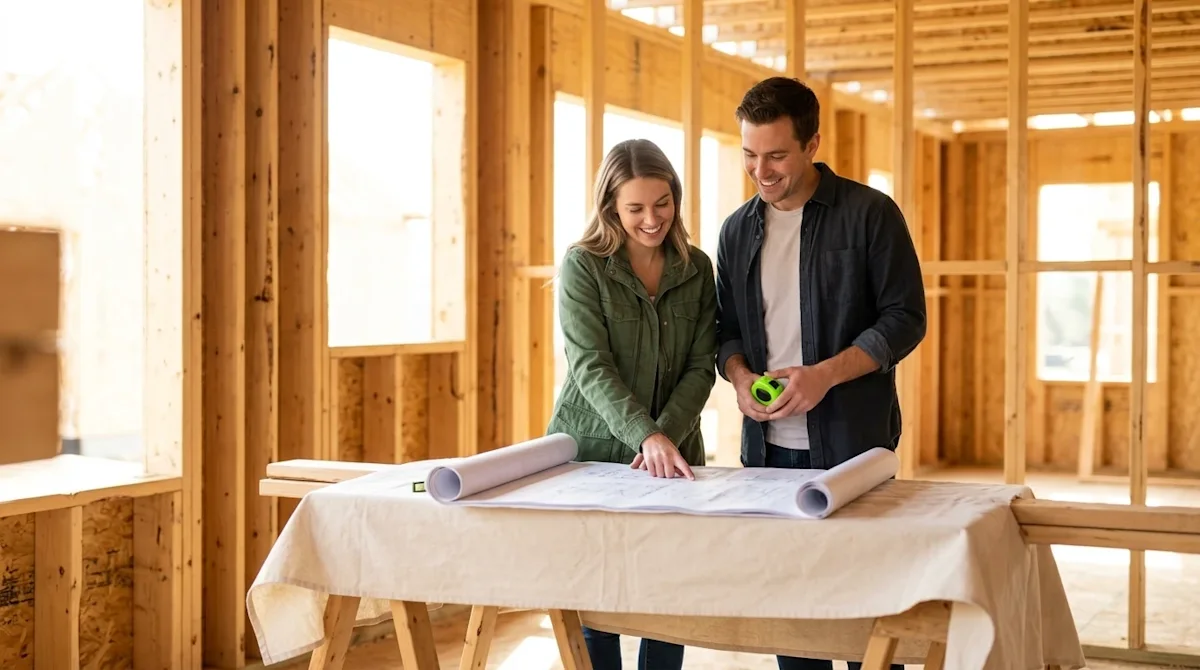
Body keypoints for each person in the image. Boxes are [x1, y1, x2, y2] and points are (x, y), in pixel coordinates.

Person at [714, 77, 927, 670]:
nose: (762, 170)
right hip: (768, 456)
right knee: (795, 617)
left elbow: (906, 318)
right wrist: (737, 379)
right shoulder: (736, 230)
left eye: (777, 154)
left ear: (812, 144)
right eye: (750, 155)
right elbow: (725, 330)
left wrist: (825, 376)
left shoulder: (870, 214)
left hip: (855, 447)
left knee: (867, 618)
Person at [545, 138, 718, 669]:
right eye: (636, 208)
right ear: (611, 207)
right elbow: (590, 366)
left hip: (674, 457)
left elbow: (701, 364)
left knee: (667, 597)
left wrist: (664, 437)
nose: (652, 219)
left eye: (662, 203)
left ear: (676, 198)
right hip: (591, 452)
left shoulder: (697, 268)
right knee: (598, 602)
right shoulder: (584, 266)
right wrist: (646, 435)